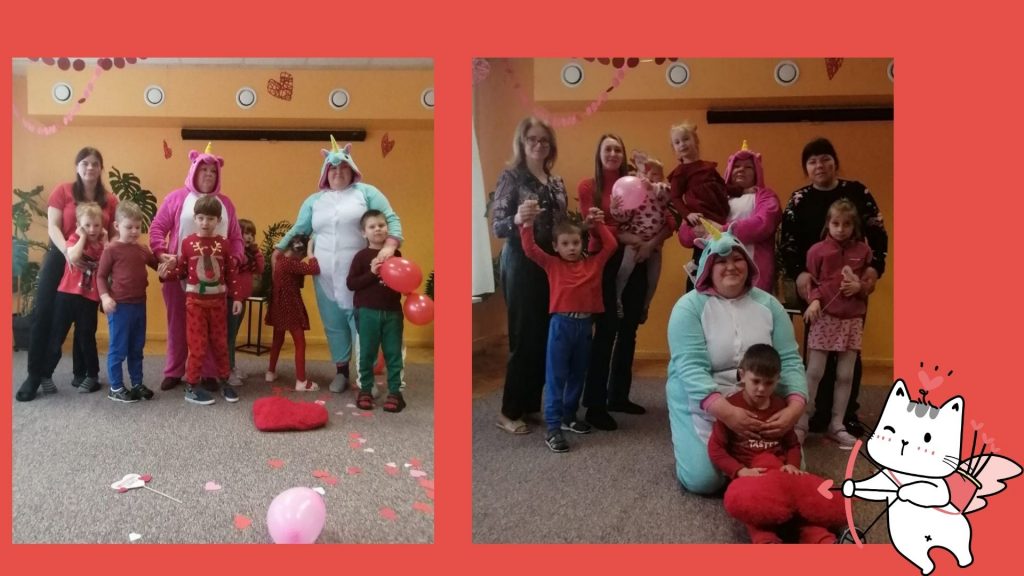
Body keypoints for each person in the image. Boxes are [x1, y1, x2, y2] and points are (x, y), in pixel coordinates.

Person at [666, 223, 807, 495]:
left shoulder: (770, 305)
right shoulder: (688, 308)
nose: (731, 266)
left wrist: (794, 409)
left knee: (789, 472)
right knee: (705, 481)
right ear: (708, 267)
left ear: (749, 264)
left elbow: (790, 361)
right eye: (721, 261)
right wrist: (728, 413)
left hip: (760, 397)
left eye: (737, 259)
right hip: (705, 401)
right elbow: (690, 368)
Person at [778, 137, 889, 437]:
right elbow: (787, 241)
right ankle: (811, 414)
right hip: (815, 289)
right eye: (812, 161)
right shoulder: (799, 199)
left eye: (825, 158)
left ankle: (843, 417)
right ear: (806, 167)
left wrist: (873, 271)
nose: (819, 165)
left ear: (835, 162)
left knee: (848, 362)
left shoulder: (857, 192)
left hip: (854, 293)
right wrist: (799, 274)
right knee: (816, 360)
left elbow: (878, 234)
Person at [276, 136, 403, 394]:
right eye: (332, 168)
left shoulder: (367, 192)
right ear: (325, 173)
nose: (337, 172)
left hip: (360, 274)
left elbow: (390, 219)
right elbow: (300, 229)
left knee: (363, 327)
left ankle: (365, 378)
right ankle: (342, 372)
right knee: (334, 325)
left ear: (352, 169)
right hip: (324, 275)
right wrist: (280, 249)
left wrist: (390, 247)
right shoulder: (314, 201)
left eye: (343, 167)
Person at [709, 344, 842, 544]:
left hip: (780, 473)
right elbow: (716, 449)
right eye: (755, 381)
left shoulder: (781, 406)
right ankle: (766, 542)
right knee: (756, 514)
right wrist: (739, 471)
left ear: (778, 380)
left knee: (801, 506)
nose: (761, 389)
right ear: (742, 375)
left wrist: (792, 465)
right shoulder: (731, 408)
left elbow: (792, 444)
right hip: (750, 477)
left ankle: (822, 540)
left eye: (769, 383)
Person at [16, 147, 119, 402]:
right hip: (61, 255)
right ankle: (34, 375)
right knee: (43, 314)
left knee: (85, 319)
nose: (90, 167)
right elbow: (53, 226)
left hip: (94, 263)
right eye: (85, 163)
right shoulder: (62, 191)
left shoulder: (110, 199)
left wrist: (107, 259)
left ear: (101, 168)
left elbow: (114, 233)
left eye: (95, 163)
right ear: (77, 167)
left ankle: (81, 373)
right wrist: (69, 253)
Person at [490, 117, 568, 435]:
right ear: (522, 143)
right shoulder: (511, 176)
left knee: (544, 335)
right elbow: (498, 226)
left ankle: (530, 404)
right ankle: (508, 411)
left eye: (544, 140)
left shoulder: (556, 181)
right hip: (521, 262)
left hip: (550, 263)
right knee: (523, 337)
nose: (538, 144)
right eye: (532, 139)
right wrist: (518, 218)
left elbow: (561, 225)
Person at [520, 207, 617, 452]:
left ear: (582, 242)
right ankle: (553, 427)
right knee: (556, 376)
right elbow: (530, 249)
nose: (571, 247)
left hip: (584, 326)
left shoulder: (594, 264)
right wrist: (527, 224)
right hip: (561, 326)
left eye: (575, 242)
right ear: (556, 246)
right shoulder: (552, 264)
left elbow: (611, 246)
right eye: (565, 243)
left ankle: (568, 415)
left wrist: (597, 224)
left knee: (578, 374)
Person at [150, 143, 243, 392]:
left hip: (214, 282)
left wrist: (234, 259)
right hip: (178, 274)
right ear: (194, 170)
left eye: (213, 171)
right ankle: (174, 370)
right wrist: (161, 252)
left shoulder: (226, 204)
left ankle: (209, 373)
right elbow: (157, 227)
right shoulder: (176, 198)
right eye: (204, 170)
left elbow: (236, 238)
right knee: (177, 324)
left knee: (212, 329)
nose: (208, 175)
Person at [579, 133, 658, 430]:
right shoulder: (588, 186)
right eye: (608, 149)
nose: (613, 154)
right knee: (605, 331)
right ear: (599, 154)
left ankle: (618, 396)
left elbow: (661, 216)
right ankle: (594, 405)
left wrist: (649, 242)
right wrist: (625, 235)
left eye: (617, 149)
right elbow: (593, 227)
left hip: (636, 258)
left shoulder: (638, 182)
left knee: (629, 328)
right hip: (604, 262)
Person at [796, 200, 873, 449]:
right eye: (836, 223)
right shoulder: (817, 251)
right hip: (825, 317)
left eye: (846, 224)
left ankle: (837, 424)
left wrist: (860, 287)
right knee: (814, 372)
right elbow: (811, 281)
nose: (840, 229)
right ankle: (801, 423)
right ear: (828, 224)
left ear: (854, 226)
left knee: (845, 375)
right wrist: (814, 300)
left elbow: (867, 282)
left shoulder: (863, 250)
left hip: (852, 320)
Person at [158, 194, 243, 405]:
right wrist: (165, 275)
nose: (205, 223)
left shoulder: (224, 244)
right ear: (195, 219)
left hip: (218, 304)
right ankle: (192, 386)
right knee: (197, 345)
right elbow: (182, 271)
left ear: (219, 220)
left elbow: (231, 273)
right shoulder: (187, 243)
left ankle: (225, 381)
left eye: (211, 218)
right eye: (201, 218)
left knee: (220, 344)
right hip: (195, 304)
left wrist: (237, 297)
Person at [678, 140, 781, 292]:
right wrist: (696, 231)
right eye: (737, 166)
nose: (741, 170)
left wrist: (721, 230)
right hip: (712, 276)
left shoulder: (765, 196)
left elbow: (763, 224)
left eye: (748, 167)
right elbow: (684, 235)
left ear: (757, 172)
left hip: (751, 276)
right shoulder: (711, 195)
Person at [40, 202, 108, 396]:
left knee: (86, 338)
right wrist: (83, 236)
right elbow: (74, 256)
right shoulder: (74, 239)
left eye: (96, 225)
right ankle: (46, 374)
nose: (92, 229)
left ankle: (92, 375)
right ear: (79, 225)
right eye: (87, 225)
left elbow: (109, 262)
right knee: (57, 336)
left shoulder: (103, 247)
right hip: (66, 296)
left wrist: (105, 239)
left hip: (89, 299)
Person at [97, 201, 160, 402]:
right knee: (118, 348)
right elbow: (100, 276)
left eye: (137, 227)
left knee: (136, 347)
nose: (134, 231)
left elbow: (157, 265)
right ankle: (115, 387)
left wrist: (167, 263)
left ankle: (137, 384)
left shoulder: (142, 249)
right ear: (117, 226)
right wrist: (105, 297)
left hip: (139, 305)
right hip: (120, 307)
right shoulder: (111, 249)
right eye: (129, 227)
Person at [348, 210, 407, 412]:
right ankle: (365, 389)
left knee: (393, 353)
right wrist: (372, 272)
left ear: (387, 229)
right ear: (364, 233)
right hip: (367, 312)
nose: (377, 229)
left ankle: (395, 392)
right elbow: (351, 284)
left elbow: (402, 281)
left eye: (381, 225)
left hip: (392, 313)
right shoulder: (360, 257)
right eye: (372, 226)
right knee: (366, 353)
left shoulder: (395, 255)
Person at [610, 156, 671, 322]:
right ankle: (617, 299)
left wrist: (653, 186)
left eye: (655, 174)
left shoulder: (661, 193)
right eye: (646, 174)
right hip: (635, 241)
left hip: (655, 245)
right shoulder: (637, 195)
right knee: (624, 271)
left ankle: (645, 306)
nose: (650, 178)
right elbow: (624, 217)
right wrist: (615, 208)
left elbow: (668, 192)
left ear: (661, 177)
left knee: (653, 278)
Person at [265, 234, 320, 391]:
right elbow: (314, 269)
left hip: (278, 305)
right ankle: (301, 381)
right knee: (300, 343)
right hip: (290, 307)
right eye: (303, 255)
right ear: (299, 252)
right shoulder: (291, 264)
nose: (303, 259)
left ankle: (270, 372)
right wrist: (310, 252)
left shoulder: (280, 261)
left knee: (277, 339)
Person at [667, 122, 731, 227]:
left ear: (695, 140)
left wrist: (742, 190)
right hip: (701, 215)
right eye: (677, 142)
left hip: (719, 210)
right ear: (674, 148)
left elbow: (723, 185)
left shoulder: (708, 166)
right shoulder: (680, 172)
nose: (682, 144)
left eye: (685, 139)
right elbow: (675, 197)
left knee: (724, 233)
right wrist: (687, 214)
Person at [228, 218, 264, 385]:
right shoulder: (236, 253)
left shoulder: (251, 254)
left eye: (251, 234)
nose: (249, 237)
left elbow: (260, 269)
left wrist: (257, 253)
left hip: (242, 299)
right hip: (232, 298)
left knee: (233, 334)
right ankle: (228, 369)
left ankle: (231, 366)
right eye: (245, 233)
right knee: (230, 336)